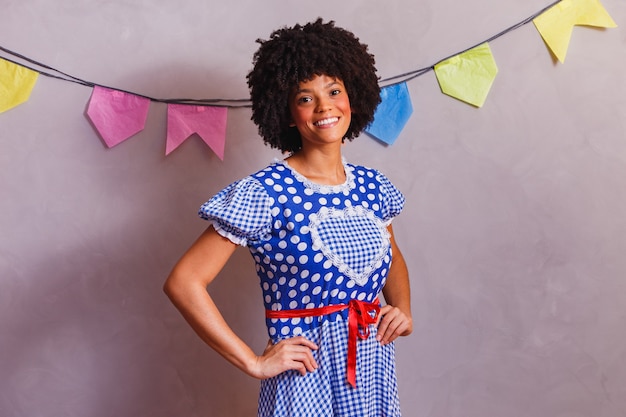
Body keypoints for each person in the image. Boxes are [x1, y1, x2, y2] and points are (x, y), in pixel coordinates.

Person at [164, 18, 412, 417]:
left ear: (354, 96)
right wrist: (253, 361)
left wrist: (402, 310)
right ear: (286, 111)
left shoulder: (372, 186)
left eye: (333, 91)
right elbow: (184, 281)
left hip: (371, 370)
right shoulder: (266, 192)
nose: (324, 106)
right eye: (305, 97)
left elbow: (393, 257)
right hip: (305, 377)